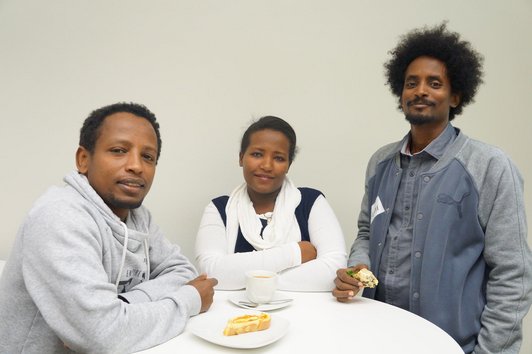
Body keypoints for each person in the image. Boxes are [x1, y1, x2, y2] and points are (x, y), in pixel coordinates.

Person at [333, 23, 532, 354]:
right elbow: (366, 233)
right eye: (412, 83)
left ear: (455, 96)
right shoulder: (380, 162)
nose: (420, 91)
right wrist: (358, 268)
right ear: (401, 92)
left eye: (434, 83)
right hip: (377, 338)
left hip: (455, 347)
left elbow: (513, 275)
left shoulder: (491, 166)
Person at [0, 102, 217, 353]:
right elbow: (103, 335)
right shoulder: (58, 216)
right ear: (83, 159)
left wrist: (124, 304)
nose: (136, 165)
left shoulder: (138, 216)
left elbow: (182, 271)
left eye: (148, 156)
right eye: (118, 150)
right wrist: (189, 300)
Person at [195, 116, 346, 291]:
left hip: (304, 315)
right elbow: (212, 273)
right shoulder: (219, 209)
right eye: (257, 154)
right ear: (241, 158)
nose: (267, 165)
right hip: (236, 318)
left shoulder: (311, 202)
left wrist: (246, 280)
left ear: (289, 165)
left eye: (279, 158)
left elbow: (333, 271)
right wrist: (294, 253)